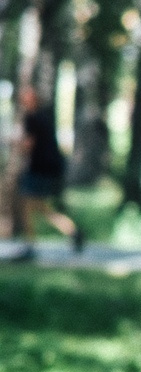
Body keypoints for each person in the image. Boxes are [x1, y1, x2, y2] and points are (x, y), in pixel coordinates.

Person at [12, 102, 82, 262]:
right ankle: (72, 231)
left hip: (38, 169)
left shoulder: (32, 118)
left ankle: (30, 246)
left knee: (28, 206)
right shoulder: (45, 118)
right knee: (40, 207)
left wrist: (15, 143)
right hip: (49, 169)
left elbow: (29, 144)